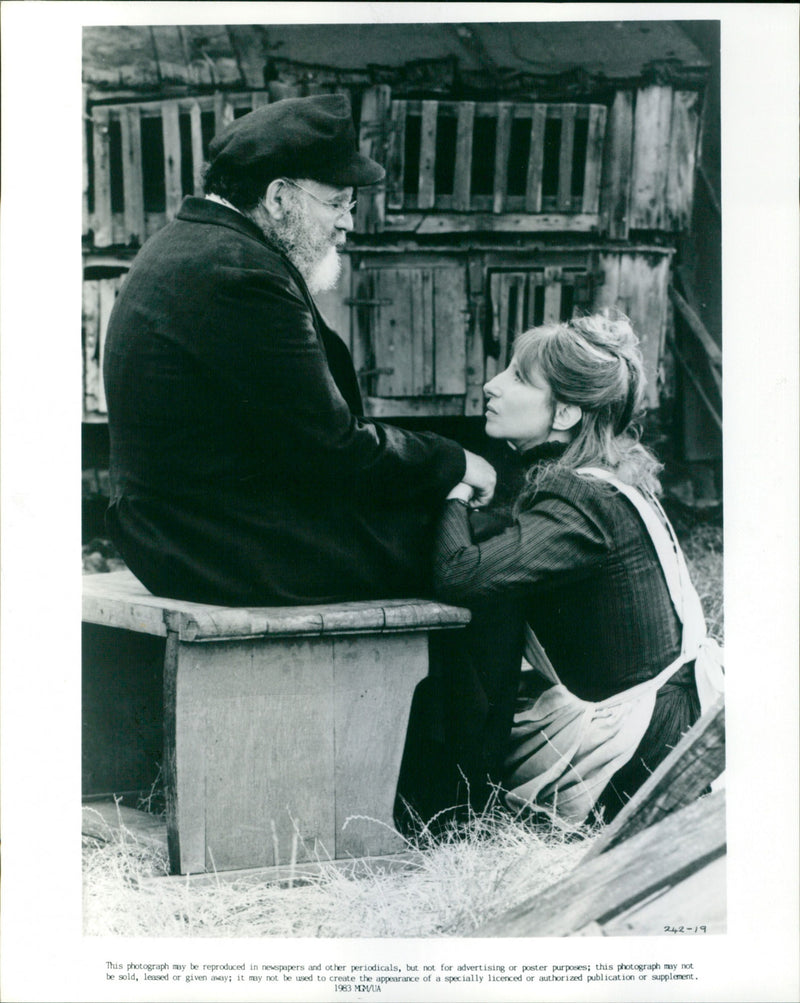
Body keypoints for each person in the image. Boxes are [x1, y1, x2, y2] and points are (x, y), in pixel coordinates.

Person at [102, 94, 495, 605]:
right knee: (485, 545)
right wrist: (455, 462)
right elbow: (334, 446)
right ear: (279, 197)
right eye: (336, 203)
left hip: (184, 534)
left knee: (450, 527)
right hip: (221, 548)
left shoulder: (189, 244)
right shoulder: (242, 275)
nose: (347, 222)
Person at [396, 310, 721, 831]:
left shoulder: (579, 495)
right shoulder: (604, 476)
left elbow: (460, 573)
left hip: (642, 756)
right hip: (673, 729)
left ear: (566, 413)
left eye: (519, 378)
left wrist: (455, 489)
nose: (492, 385)